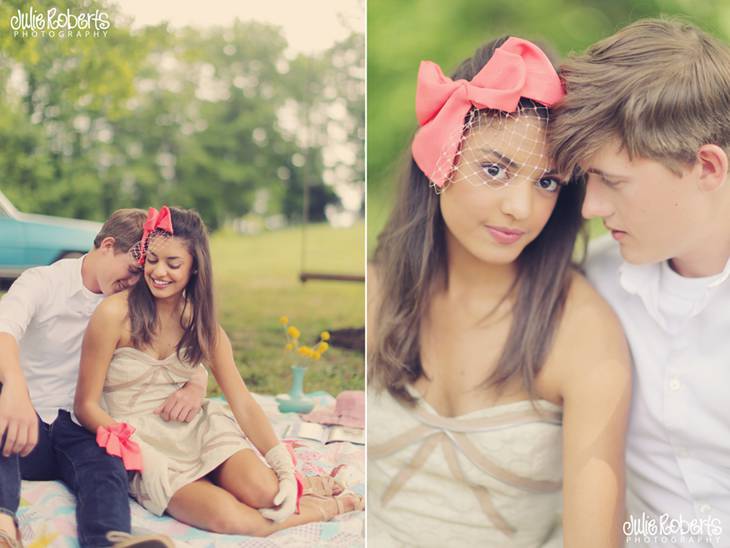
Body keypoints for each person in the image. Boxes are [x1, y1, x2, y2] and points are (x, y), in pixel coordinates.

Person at [367, 36, 631, 547]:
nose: (521, 207)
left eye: (548, 183)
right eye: (494, 170)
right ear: (441, 161)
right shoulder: (379, 290)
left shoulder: (580, 332)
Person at [549, 18, 730, 548]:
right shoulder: (593, 285)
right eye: (589, 178)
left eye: (613, 180)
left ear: (707, 166)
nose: (591, 207)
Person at [74, 206, 364, 537]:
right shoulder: (114, 314)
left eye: (173, 264)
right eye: (152, 259)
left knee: (267, 494)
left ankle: (298, 481)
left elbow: (241, 401)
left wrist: (281, 464)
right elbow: (86, 406)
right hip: (142, 446)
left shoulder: (201, 324)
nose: (159, 272)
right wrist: (138, 451)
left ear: (195, 268)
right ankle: (327, 507)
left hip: (196, 429)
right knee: (231, 519)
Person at [0, 208, 207, 548]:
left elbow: (182, 348)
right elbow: (5, 329)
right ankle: (4, 527)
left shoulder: (134, 304)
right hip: (25, 423)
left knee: (107, 461)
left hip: (78, 424)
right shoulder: (43, 282)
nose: (135, 282)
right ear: (108, 245)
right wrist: (15, 388)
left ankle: (110, 541)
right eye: (132, 270)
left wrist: (196, 382)